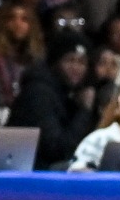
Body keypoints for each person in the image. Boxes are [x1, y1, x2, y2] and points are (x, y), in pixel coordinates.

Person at [9, 34, 96, 169]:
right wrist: (84, 111)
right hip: (28, 176)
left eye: (82, 62)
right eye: (70, 60)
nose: (76, 68)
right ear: (55, 63)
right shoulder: (39, 93)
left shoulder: (66, 93)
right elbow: (57, 149)